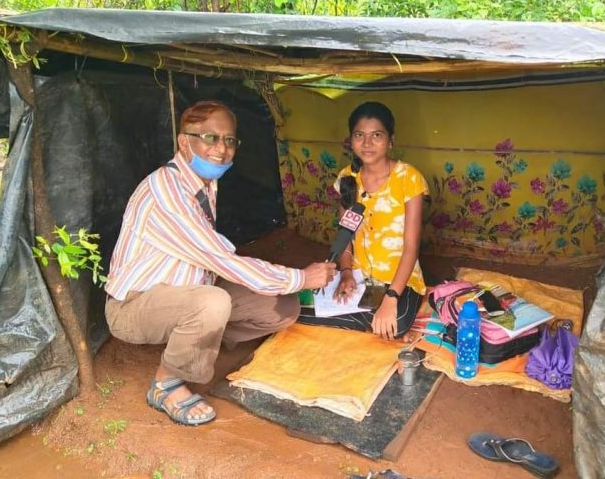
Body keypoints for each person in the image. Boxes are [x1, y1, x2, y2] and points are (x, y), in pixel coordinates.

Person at [104, 100, 335, 426]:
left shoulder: (203, 182)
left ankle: (202, 341)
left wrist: (291, 284)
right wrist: (301, 277)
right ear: (184, 142)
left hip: (188, 290)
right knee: (212, 302)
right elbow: (220, 258)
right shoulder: (165, 191)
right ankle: (166, 383)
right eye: (210, 138)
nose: (222, 149)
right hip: (135, 305)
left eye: (229, 140)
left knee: (283, 307)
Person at [298, 102, 429, 340]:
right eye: (359, 135)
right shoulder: (347, 177)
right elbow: (345, 235)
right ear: (351, 140)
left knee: (395, 322)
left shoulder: (408, 178)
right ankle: (361, 316)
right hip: (358, 276)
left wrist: (390, 298)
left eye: (376, 135)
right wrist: (347, 273)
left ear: (391, 140)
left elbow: (411, 247)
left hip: (398, 279)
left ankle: (363, 315)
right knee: (297, 307)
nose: (367, 143)